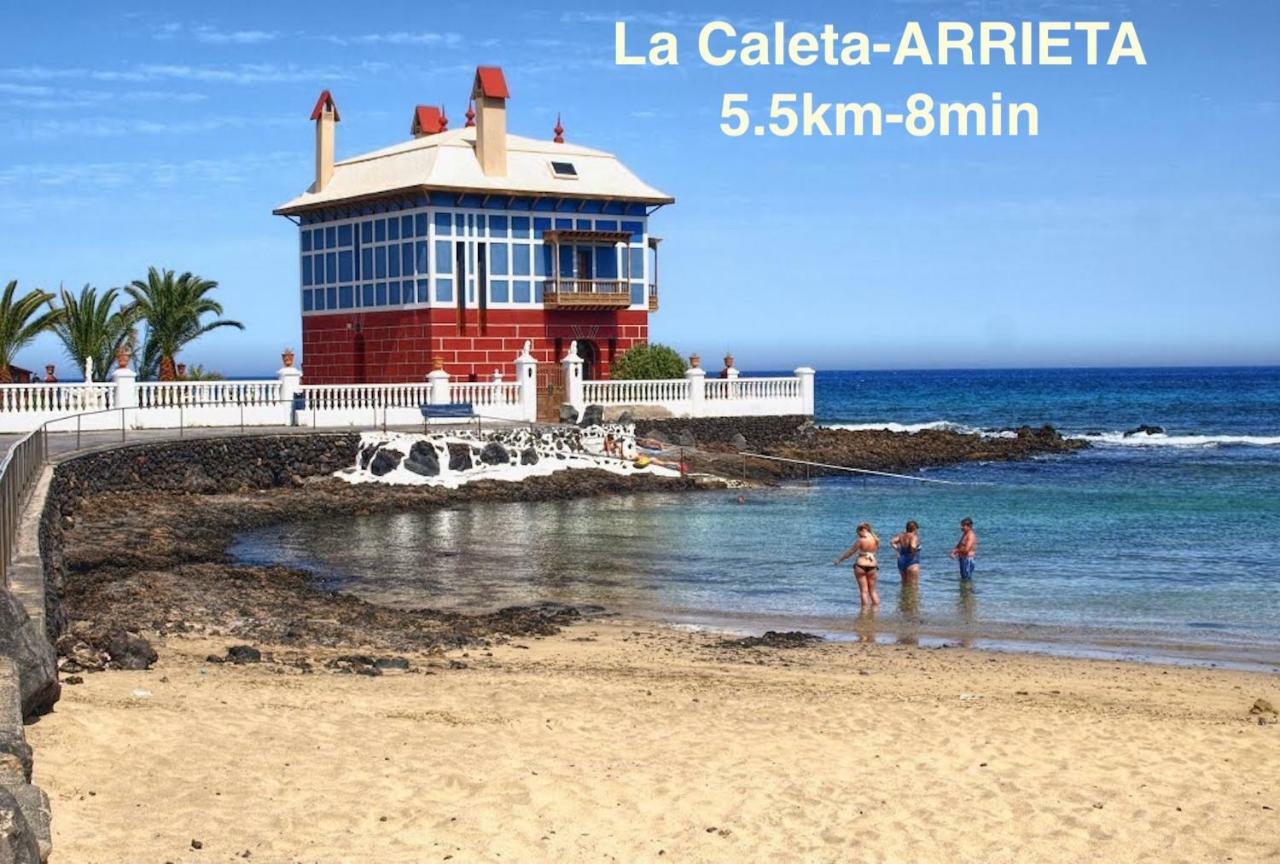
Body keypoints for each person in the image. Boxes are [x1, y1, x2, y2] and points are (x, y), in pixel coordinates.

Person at [835, 522, 881, 608]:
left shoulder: (860, 541)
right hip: (872, 566)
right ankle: (876, 611)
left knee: (864, 591)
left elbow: (850, 552)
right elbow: (875, 551)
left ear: (862, 530)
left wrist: (839, 560)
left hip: (860, 565)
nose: (858, 534)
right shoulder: (876, 540)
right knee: (873, 591)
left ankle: (864, 612)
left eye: (858, 532)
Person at [890, 520, 922, 585]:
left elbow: (892, 541)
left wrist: (897, 549)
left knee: (904, 583)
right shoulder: (914, 536)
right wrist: (914, 552)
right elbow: (913, 546)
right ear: (914, 528)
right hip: (912, 561)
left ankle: (904, 595)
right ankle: (911, 595)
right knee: (913, 585)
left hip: (901, 560)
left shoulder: (901, 536)